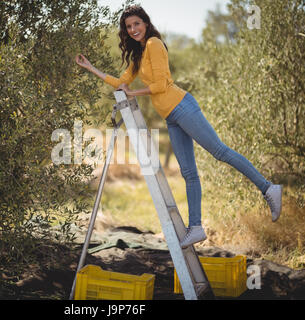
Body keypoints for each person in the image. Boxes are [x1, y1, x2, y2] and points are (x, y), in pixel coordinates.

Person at [75, 5, 282, 248]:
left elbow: (162, 84)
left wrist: (134, 93)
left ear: (145, 23)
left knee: (219, 151)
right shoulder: (139, 55)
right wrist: (91, 68)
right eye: (128, 26)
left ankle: (268, 188)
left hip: (182, 106)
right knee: (188, 173)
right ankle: (195, 227)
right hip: (171, 116)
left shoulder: (154, 44)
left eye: (136, 24)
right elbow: (121, 83)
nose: (133, 30)